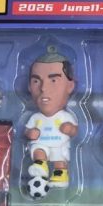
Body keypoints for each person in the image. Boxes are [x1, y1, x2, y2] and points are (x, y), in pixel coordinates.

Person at [24, 47, 78, 188]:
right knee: (38, 150)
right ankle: (40, 165)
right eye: (36, 81)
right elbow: (27, 131)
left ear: (70, 86)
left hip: (59, 144)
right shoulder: (36, 117)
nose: (43, 88)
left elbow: (75, 131)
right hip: (41, 144)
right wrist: (30, 133)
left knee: (60, 157)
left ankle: (60, 174)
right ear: (29, 86)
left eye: (53, 80)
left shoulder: (66, 116)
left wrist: (71, 129)